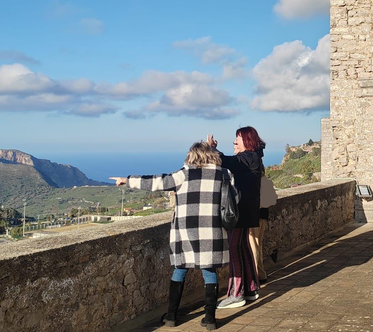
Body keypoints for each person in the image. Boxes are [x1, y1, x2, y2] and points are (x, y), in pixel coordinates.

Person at [110, 141, 231, 331]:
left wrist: (127, 180)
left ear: (191, 155)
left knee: (180, 269)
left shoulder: (183, 175)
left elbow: (157, 182)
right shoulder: (224, 174)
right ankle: (210, 319)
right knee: (209, 272)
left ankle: (172, 316)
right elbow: (235, 198)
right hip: (212, 230)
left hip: (185, 231)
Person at [207, 127, 264, 309]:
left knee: (233, 248)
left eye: (237, 139)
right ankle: (251, 289)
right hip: (247, 211)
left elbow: (226, 161)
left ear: (247, 141)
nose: (234, 143)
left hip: (240, 212)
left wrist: (211, 150)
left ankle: (236, 294)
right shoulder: (253, 158)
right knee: (243, 248)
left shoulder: (249, 158)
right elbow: (230, 161)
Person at [249, 173, 277, 284]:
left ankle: (254, 276)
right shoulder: (264, 179)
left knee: (253, 245)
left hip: (254, 216)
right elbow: (272, 199)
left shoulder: (251, 180)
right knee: (258, 244)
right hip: (263, 215)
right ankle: (261, 274)